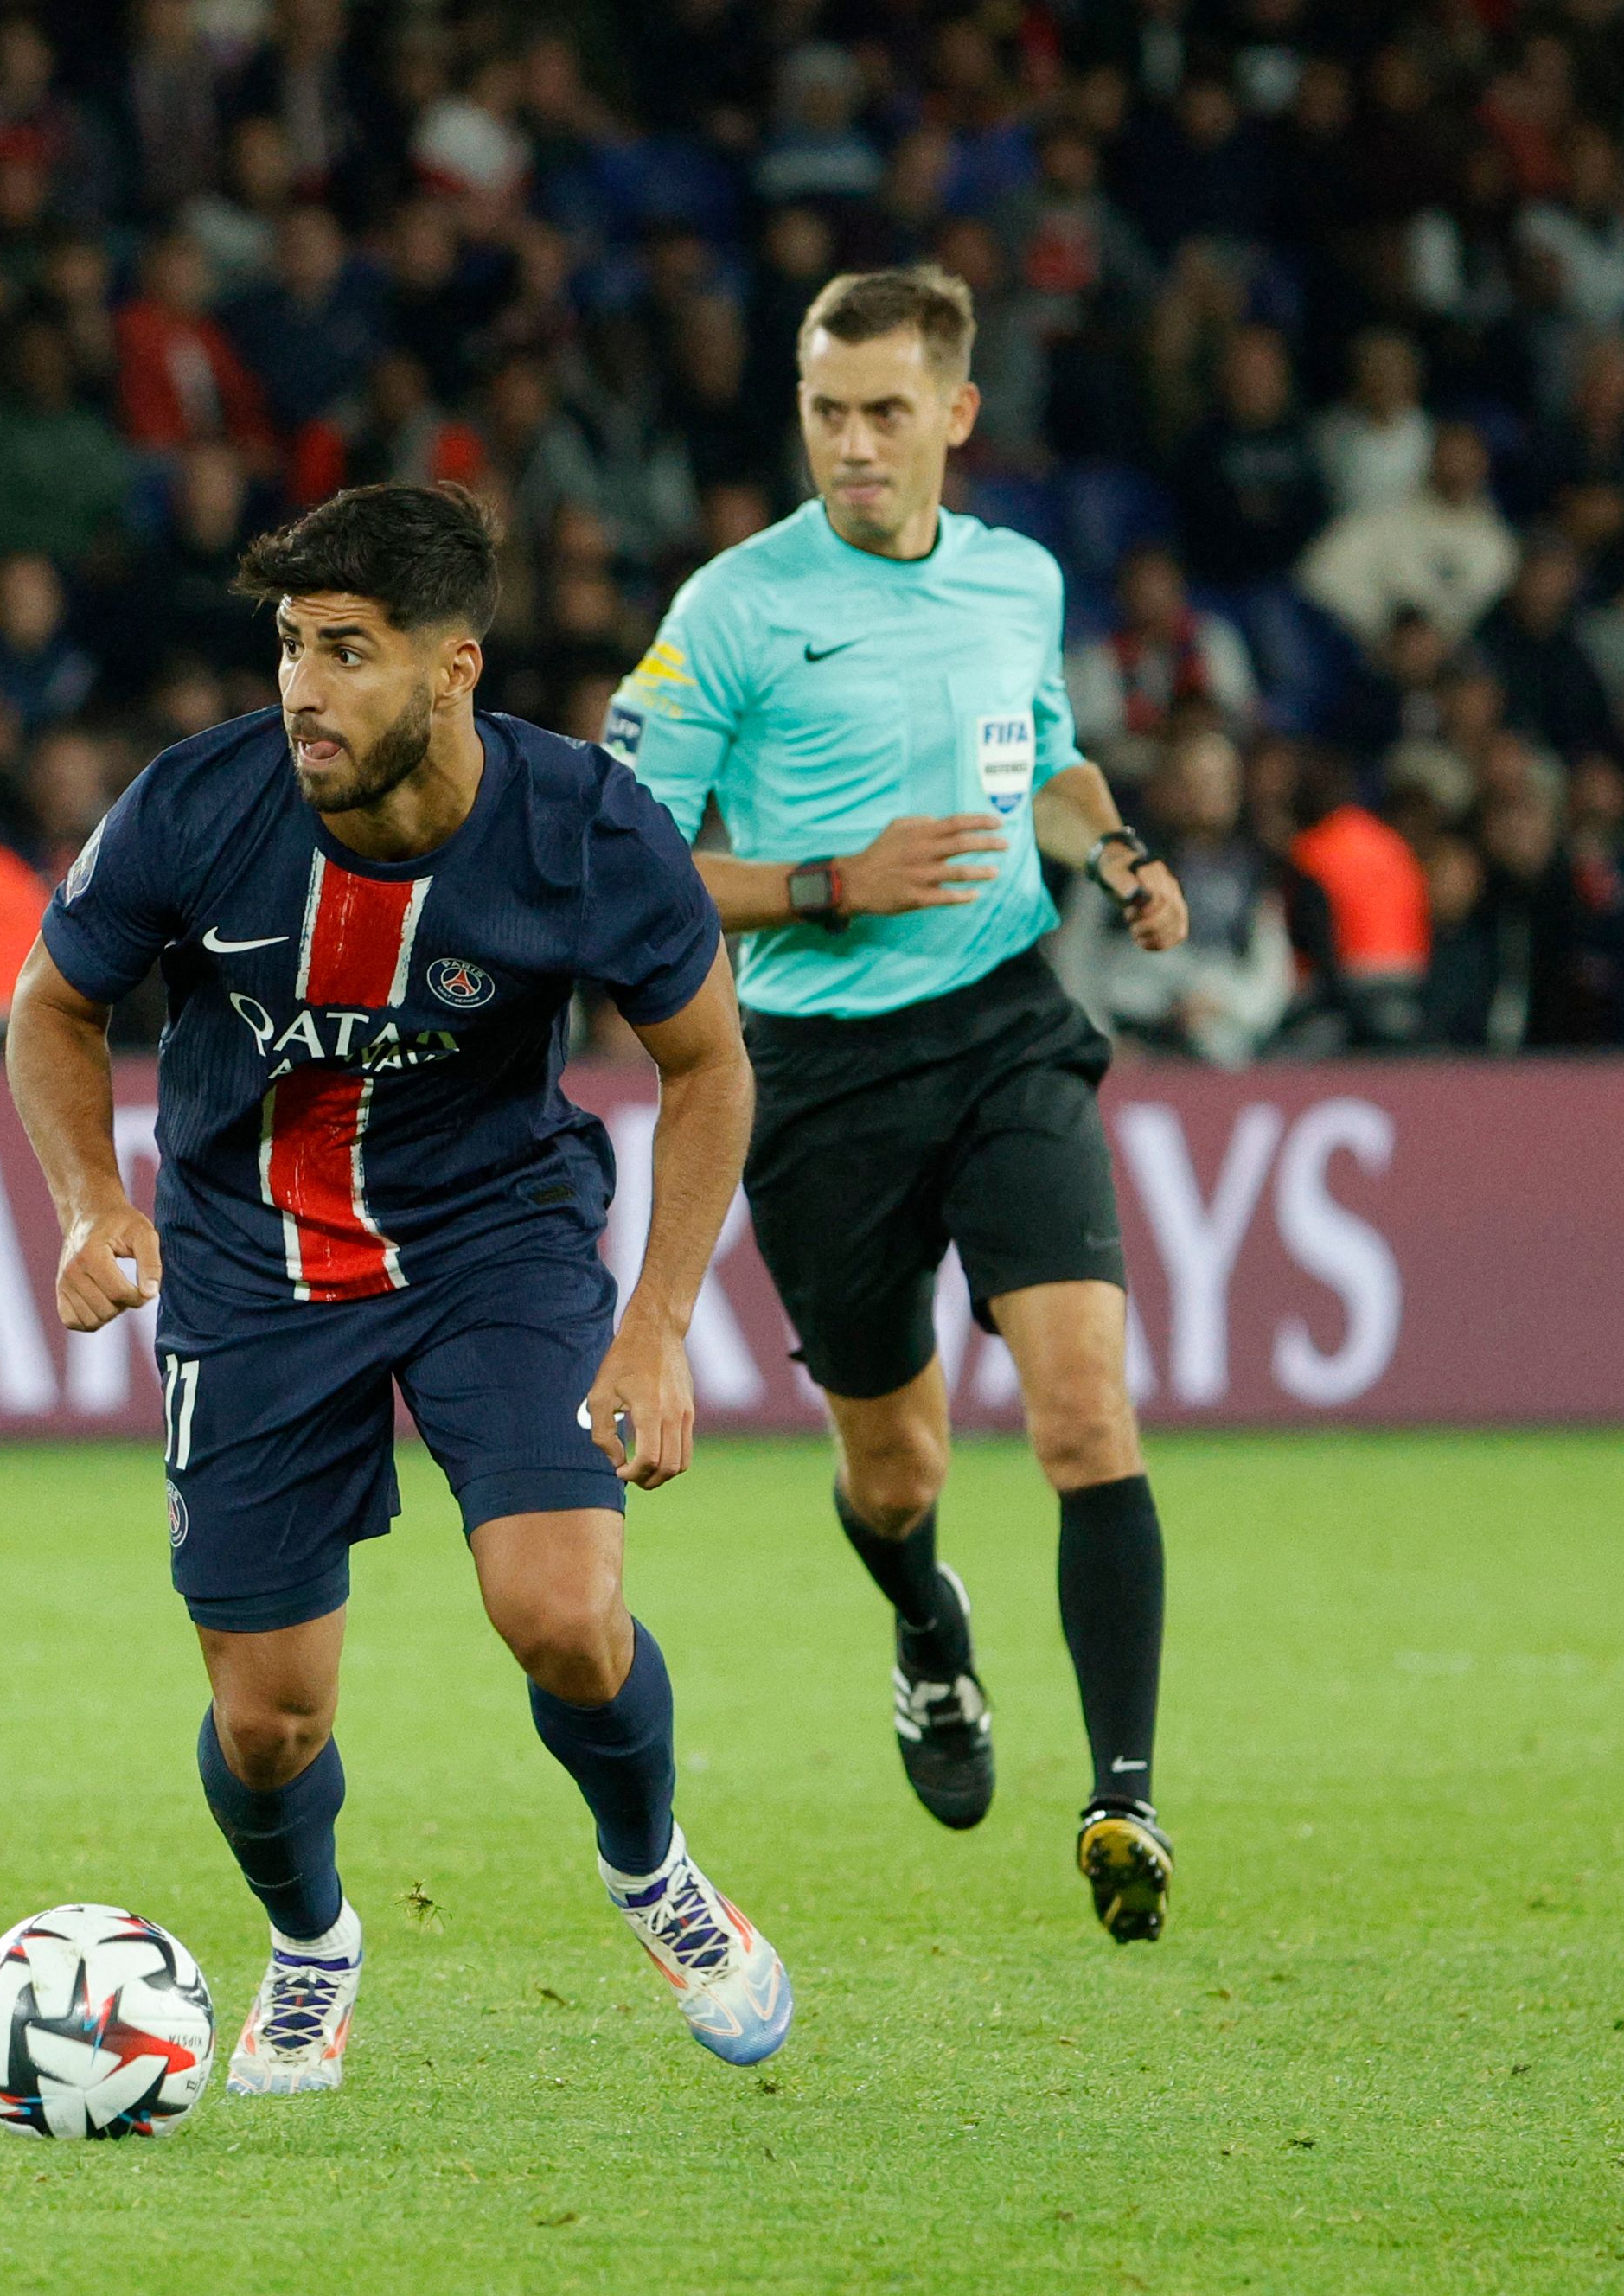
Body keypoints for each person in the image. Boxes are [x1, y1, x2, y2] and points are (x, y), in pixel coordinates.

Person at [6, 481, 790, 2092]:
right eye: (291, 645)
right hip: (250, 1265)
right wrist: (92, 1200)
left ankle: (653, 1875)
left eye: (347, 652)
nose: (302, 686)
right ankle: (311, 1948)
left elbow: (708, 1066)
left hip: (491, 1243)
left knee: (565, 1617)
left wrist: (655, 1320)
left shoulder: (584, 826)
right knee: (268, 1724)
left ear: (453, 670)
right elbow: (52, 1007)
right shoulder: (193, 806)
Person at [609, 265, 1193, 1943]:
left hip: (1006, 1022)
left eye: (880, 412)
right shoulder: (728, 608)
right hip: (813, 1071)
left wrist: (1115, 845)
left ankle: (1120, 1799)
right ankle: (926, 1629)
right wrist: (820, 882)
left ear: (952, 412)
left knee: (1084, 1409)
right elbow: (620, 858)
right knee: (893, 1465)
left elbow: (1049, 752)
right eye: (822, 412)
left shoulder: (1016, 577)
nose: (850, 445)